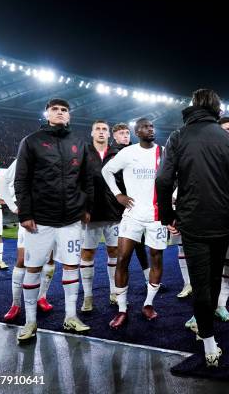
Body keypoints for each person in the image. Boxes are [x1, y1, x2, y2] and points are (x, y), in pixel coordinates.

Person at [156, 88, 229, 367]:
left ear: (193, 107)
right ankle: (207, 335)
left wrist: (167, 215)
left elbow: (163, 181)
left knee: (200, 284)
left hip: (192, 221)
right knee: (211, 280)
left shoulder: (178, 136)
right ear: (217, 110)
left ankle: (208, 341)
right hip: (222, 222)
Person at [14, 98, 94, 342]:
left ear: (69, 116)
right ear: (47, 113)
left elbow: (87, 179)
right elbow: (21, 180)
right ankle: (30, 322)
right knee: (33, 268)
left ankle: (70, 317)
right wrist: (25, 213)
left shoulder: (78, 142)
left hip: (71, 219)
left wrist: (86, 207)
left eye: (64, 110)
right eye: (55, 109)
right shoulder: (31, 141)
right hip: (40, 220)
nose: (60, 113)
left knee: (72, 266)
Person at [183, 117, 229, 333]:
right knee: (204, 269)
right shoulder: (205, 156)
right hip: (203, 218)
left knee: (227, 265)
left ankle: (220, 306)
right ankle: (201, 312)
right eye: (226, 129)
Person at [102, 118, 167, 329]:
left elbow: (177, 177)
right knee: (122, 259)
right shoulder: (128, 153)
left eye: (152, 127)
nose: (150, 129)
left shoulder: (164, 152)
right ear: (137, 131)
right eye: (145, 127)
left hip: (157, 216)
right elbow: (106, 171)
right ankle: (122, 309)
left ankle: (148, 304)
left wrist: (172, 197)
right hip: (132, 215)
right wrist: (118, 195)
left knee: (156, 259)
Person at [0, 159, 55, 321]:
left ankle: (42, 297)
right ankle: (15, 304)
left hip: (52, 216)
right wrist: (13, 207)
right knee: (22, 260)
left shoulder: (60, 154)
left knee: (49, 259)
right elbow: (2, 182)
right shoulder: (25, 156)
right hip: (29, 217)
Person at [79, 120, 122, 311]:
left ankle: (114, 291)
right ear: (92, 132)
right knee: (88, 253)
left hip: (114, 212)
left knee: (114, 252)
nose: (101, 132)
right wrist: (82, 208)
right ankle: (88, 296)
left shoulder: (118, 154)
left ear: (109, 134)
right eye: (98, 129)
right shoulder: (83, 152)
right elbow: (76, 180)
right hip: (91, 213)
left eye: (105, 129)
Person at [110, 123, 153, 297]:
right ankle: (116, 291)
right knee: (119, 251)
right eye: (121, 133)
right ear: (115, 136)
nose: (125, 136)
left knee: (140, 245)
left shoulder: (137, 151)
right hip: (120, 209)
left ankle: (147, 278)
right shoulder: (114, 155)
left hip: (138, 207)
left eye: (127, 133)